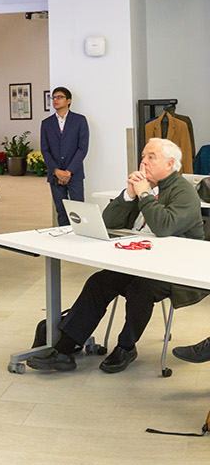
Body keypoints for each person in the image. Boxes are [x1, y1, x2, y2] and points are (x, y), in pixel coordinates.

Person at [29, 139, 203, 373]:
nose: (143, 161)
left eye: (151, 157)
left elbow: (163, 227)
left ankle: (126, 347)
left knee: (140, 289)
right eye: (143, 156)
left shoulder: (184, 191)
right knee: (99, 282)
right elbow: (109, 223)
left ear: (170, 164)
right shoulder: (146, 186)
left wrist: (144, 195)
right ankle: (65, 349)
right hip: (141, 261)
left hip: (176, 269)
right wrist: (129, 195)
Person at [41, 86, 89, 227]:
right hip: (55, 175)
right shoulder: (46, 123)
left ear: (68, 100)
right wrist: (56, 171)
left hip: (74, 174)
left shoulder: (79, 120)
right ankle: (64, 241)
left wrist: (68, 172)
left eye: (59, 97)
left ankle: (79, 240)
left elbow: (83, 148)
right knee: (61, 211)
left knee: (78, 210)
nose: (55, 100)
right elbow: (45, 150)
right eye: (53, 97)